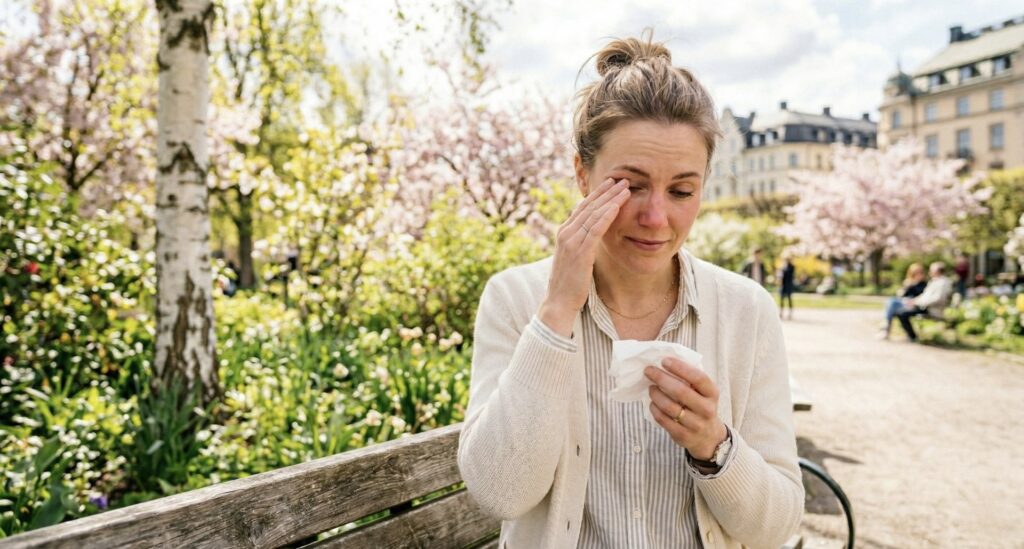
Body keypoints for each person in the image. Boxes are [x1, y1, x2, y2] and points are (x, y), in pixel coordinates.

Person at [457, 34, 802, 549]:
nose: (656, 217)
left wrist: (715, 445)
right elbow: (500, 494)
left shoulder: (745, 310)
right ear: (582, 174)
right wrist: (555, 315)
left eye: (682, 190)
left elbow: (777, 527)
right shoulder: (515, 299)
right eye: (630, 185)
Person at [894, 262, 954, 342]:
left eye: (931, 270)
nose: (929, 272)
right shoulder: (935, 281)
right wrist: (914, 301)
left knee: (902, 314)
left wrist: (918, 302)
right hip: (925, 307)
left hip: (932, 309)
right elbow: (925, 296)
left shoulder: (943, 283)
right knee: (899, 310)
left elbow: (938, 299)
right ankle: (911, 336)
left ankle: (912, 336)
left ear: (937, 271)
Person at [877, 263, 927, 339]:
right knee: (891, 301)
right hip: (904, 303)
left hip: (914, 304)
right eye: (915, 273)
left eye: (919, 273)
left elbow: (923, 297)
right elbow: (900, 295)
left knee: (892, 303)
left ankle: (886, 325)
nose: (917, 275)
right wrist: (906, 286)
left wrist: (914, 300)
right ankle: (886, 325)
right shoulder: (909, 283)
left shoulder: (924, 285)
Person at [778, 254, 796, 319]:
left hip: (788, 285)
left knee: (789, 299)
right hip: (783, 286)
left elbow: (789, 274)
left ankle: (790, 313)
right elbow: (780, 275)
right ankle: (781, 312)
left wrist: (783, 271)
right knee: (781, 299)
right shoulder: (783, 266)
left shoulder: (792, 267)